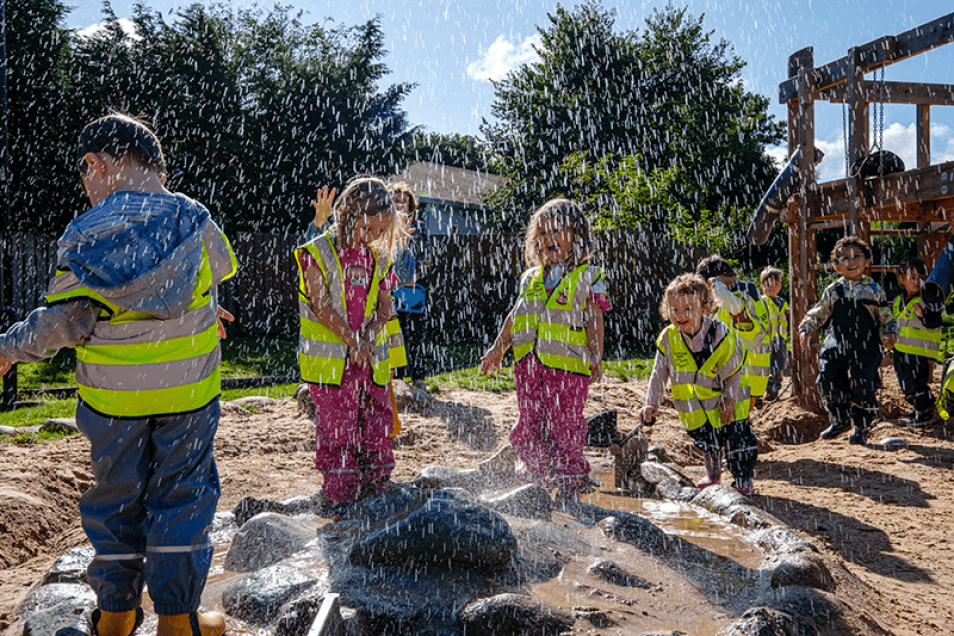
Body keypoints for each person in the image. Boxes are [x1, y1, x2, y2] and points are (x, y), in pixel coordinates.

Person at [0, 113, 237, 636]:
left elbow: (68, 320)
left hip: (113, 403)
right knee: (183, 499)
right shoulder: (196, 220)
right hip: (189, 396)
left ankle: (116, 615)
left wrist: (11, 348)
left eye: (85, 176)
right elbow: (199, 285)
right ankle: (178, 620)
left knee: (116, 500)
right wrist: (202, 314)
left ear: (96, 164)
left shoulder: (88, 234)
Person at [480, 199, 608, 512]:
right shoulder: (531, 278)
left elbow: (594, 317)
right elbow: (516, 315)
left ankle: (569, 480)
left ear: (577, 236)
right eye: (543, 231)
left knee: (564, 426)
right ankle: (535, 476)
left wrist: (596, 353)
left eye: (558, 230)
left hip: (568, 368)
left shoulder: (587, 275)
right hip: (528, 367)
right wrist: (499, 347)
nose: (549, 237)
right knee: (531, 422)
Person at [294, 176, 406, 508]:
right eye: (366, 229)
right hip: (332, 367)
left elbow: (386, 308)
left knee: (376, 425)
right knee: (338, 433)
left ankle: (377, 491)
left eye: (379, 232)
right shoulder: (317, 253)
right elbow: (321, 307)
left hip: (369, 365)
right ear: (346, 214)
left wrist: (367, 339)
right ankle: (342, 499)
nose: (371, 238)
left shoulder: (379, 260)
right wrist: (353, 341)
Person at [639, 274, 758, 495]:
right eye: (674, 310)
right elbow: (658, 373)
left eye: (687, 309)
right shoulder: (668, 338)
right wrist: (650, 404)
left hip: (729, 397)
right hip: (695, 404)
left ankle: (743, 477)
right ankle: (713, 473)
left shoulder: (720, 334)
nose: (680, 315)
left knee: (737, 439)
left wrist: (730, 398)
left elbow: (734, 369)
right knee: (706, 439)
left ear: (704, 308)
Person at [798, 235, 897, 444]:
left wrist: (890, 332)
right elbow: (819, 312)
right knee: (828, 379)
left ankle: (862, 427)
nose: (851, 262)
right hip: (837, 342)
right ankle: (840, 420)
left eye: (857, 256)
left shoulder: (874, 290)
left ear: (867, 260)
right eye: (844, 258)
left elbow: (886, 316)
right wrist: (806, 329)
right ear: (836, 266)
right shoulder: (834, 290)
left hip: (866, 344)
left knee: (864, 385)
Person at [696, 255, 771, 406]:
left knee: (738, 416)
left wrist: (716, 285)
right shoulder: (745, 290)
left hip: (746, 368)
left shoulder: (740, 292)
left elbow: (735, 307)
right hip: (751, 367)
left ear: (718, 279)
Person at [891, 257, 942, 426]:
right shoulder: (899, 299)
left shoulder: (928, 299)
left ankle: (926, 413)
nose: (917, 282)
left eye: (921, 277)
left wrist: (923, 315)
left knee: (917, 384)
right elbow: (896, 322)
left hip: (919, 350)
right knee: (906, 384)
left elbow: (935, 321)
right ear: (901, 279)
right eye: (912, 278)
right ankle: (919, 409)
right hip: (901, 349)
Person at [389, 182, 431, 390]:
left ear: (410, 204)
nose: (400, 202)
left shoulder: (418, 224)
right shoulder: (384, 224)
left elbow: (425, 251)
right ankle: (396, 376)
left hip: (415, 284)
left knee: (415, 331)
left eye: (404, 199)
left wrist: (419, 271)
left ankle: (417, 376)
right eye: (396, 199)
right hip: (390, 286)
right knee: (394, 330)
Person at [759, 266, 790, 402]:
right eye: (767, 284)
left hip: (780, 338)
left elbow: (785, 319)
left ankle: (773, 390)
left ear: (780, 286)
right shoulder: (761, 302)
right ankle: (763, 390)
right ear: (762, 286)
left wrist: (789, 314)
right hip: (765, 339)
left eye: (775, 284)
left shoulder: (783, 302)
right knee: (765, 365)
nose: (771, 287)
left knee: (779, 365)